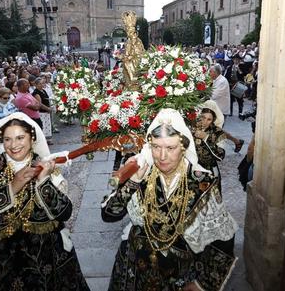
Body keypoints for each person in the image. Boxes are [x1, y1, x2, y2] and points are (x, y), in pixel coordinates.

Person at [102, 109, 238, 291]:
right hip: (133, 271)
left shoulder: (201, 183)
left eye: (170, 148)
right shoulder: (141, 175)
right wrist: (132, 183)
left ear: (183, 148)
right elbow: (109, 214)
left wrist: (202, 284)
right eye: (156, 147)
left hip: (181, 275)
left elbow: (224, 239)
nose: (162, 156)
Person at [0, 113, 89, 291]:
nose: (14, 145)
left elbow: (64, 212)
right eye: (7, 139)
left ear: (32, 137)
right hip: (4, 260)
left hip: (47, 255)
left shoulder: (44, 165)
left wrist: (44, 183)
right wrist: (12, 187)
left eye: (20, 137)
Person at [32, 77, 53, 144]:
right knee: (43, 125)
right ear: (36, 85)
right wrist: (47, 108)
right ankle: (43, 140)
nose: (41, 85)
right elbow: (39, 104)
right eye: (40, 84)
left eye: (42, 83)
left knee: (47, 125)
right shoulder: (36, 93)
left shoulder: (43, 90)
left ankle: (47, 139)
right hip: (41, 112)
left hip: (46, 111)